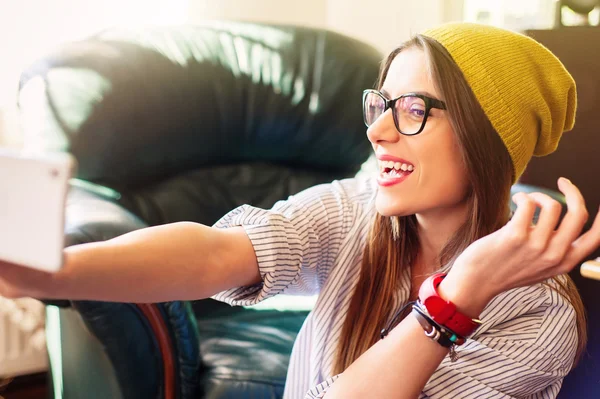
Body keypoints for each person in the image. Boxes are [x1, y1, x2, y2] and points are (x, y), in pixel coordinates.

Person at [1, 22, 600, 399]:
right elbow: (216, 253)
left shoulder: (538, 316)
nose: (380, 132)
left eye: (413, 109)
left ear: (488, 137)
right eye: (379, 105)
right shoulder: (359, 213)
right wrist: (58, 271)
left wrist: (453, 299)